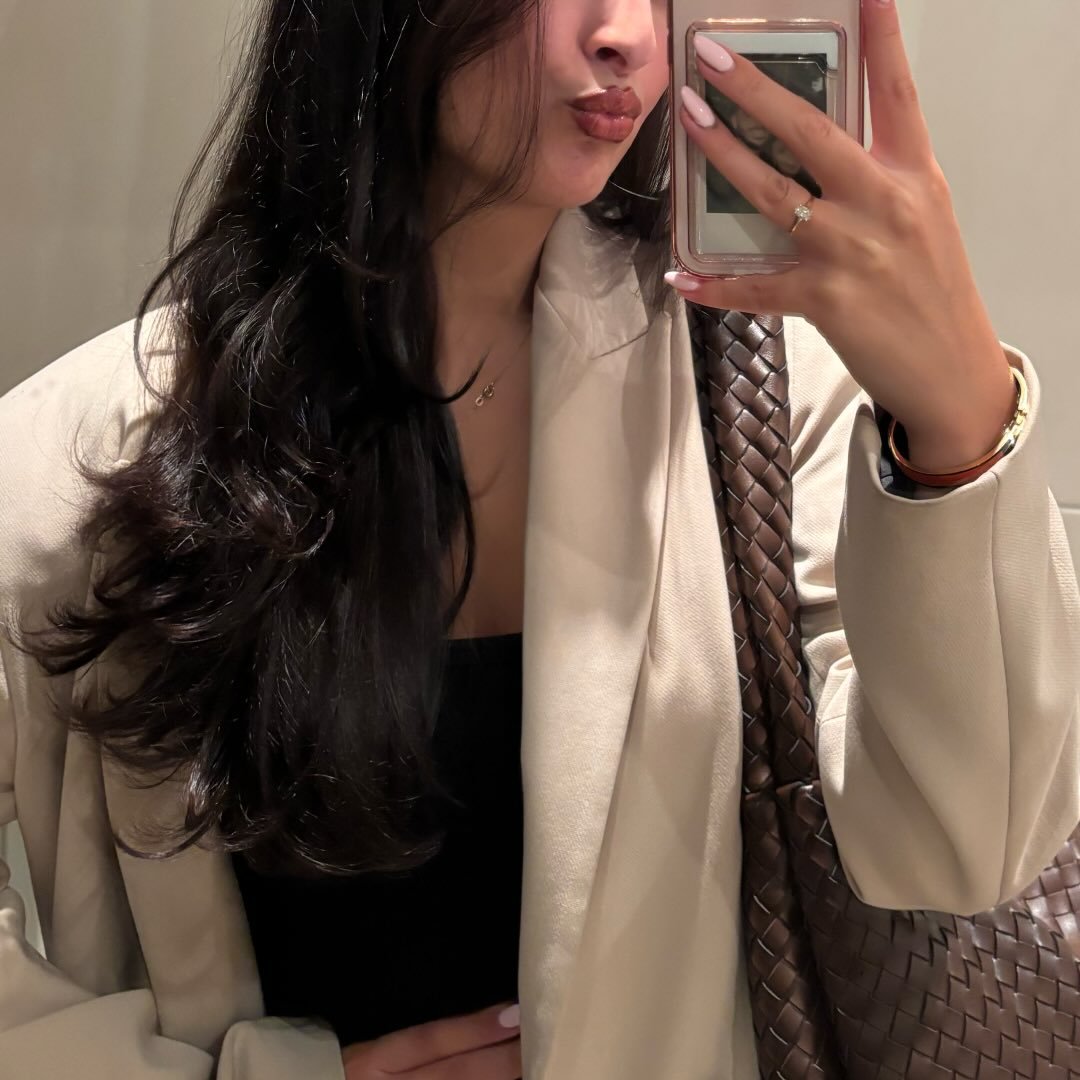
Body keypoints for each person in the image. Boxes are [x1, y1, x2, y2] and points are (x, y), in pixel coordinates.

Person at [1, 0, 1078, 1077]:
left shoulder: (760, 404)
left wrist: (957, 418)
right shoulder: (95, 453)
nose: (628, 36)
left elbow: (964, 844)